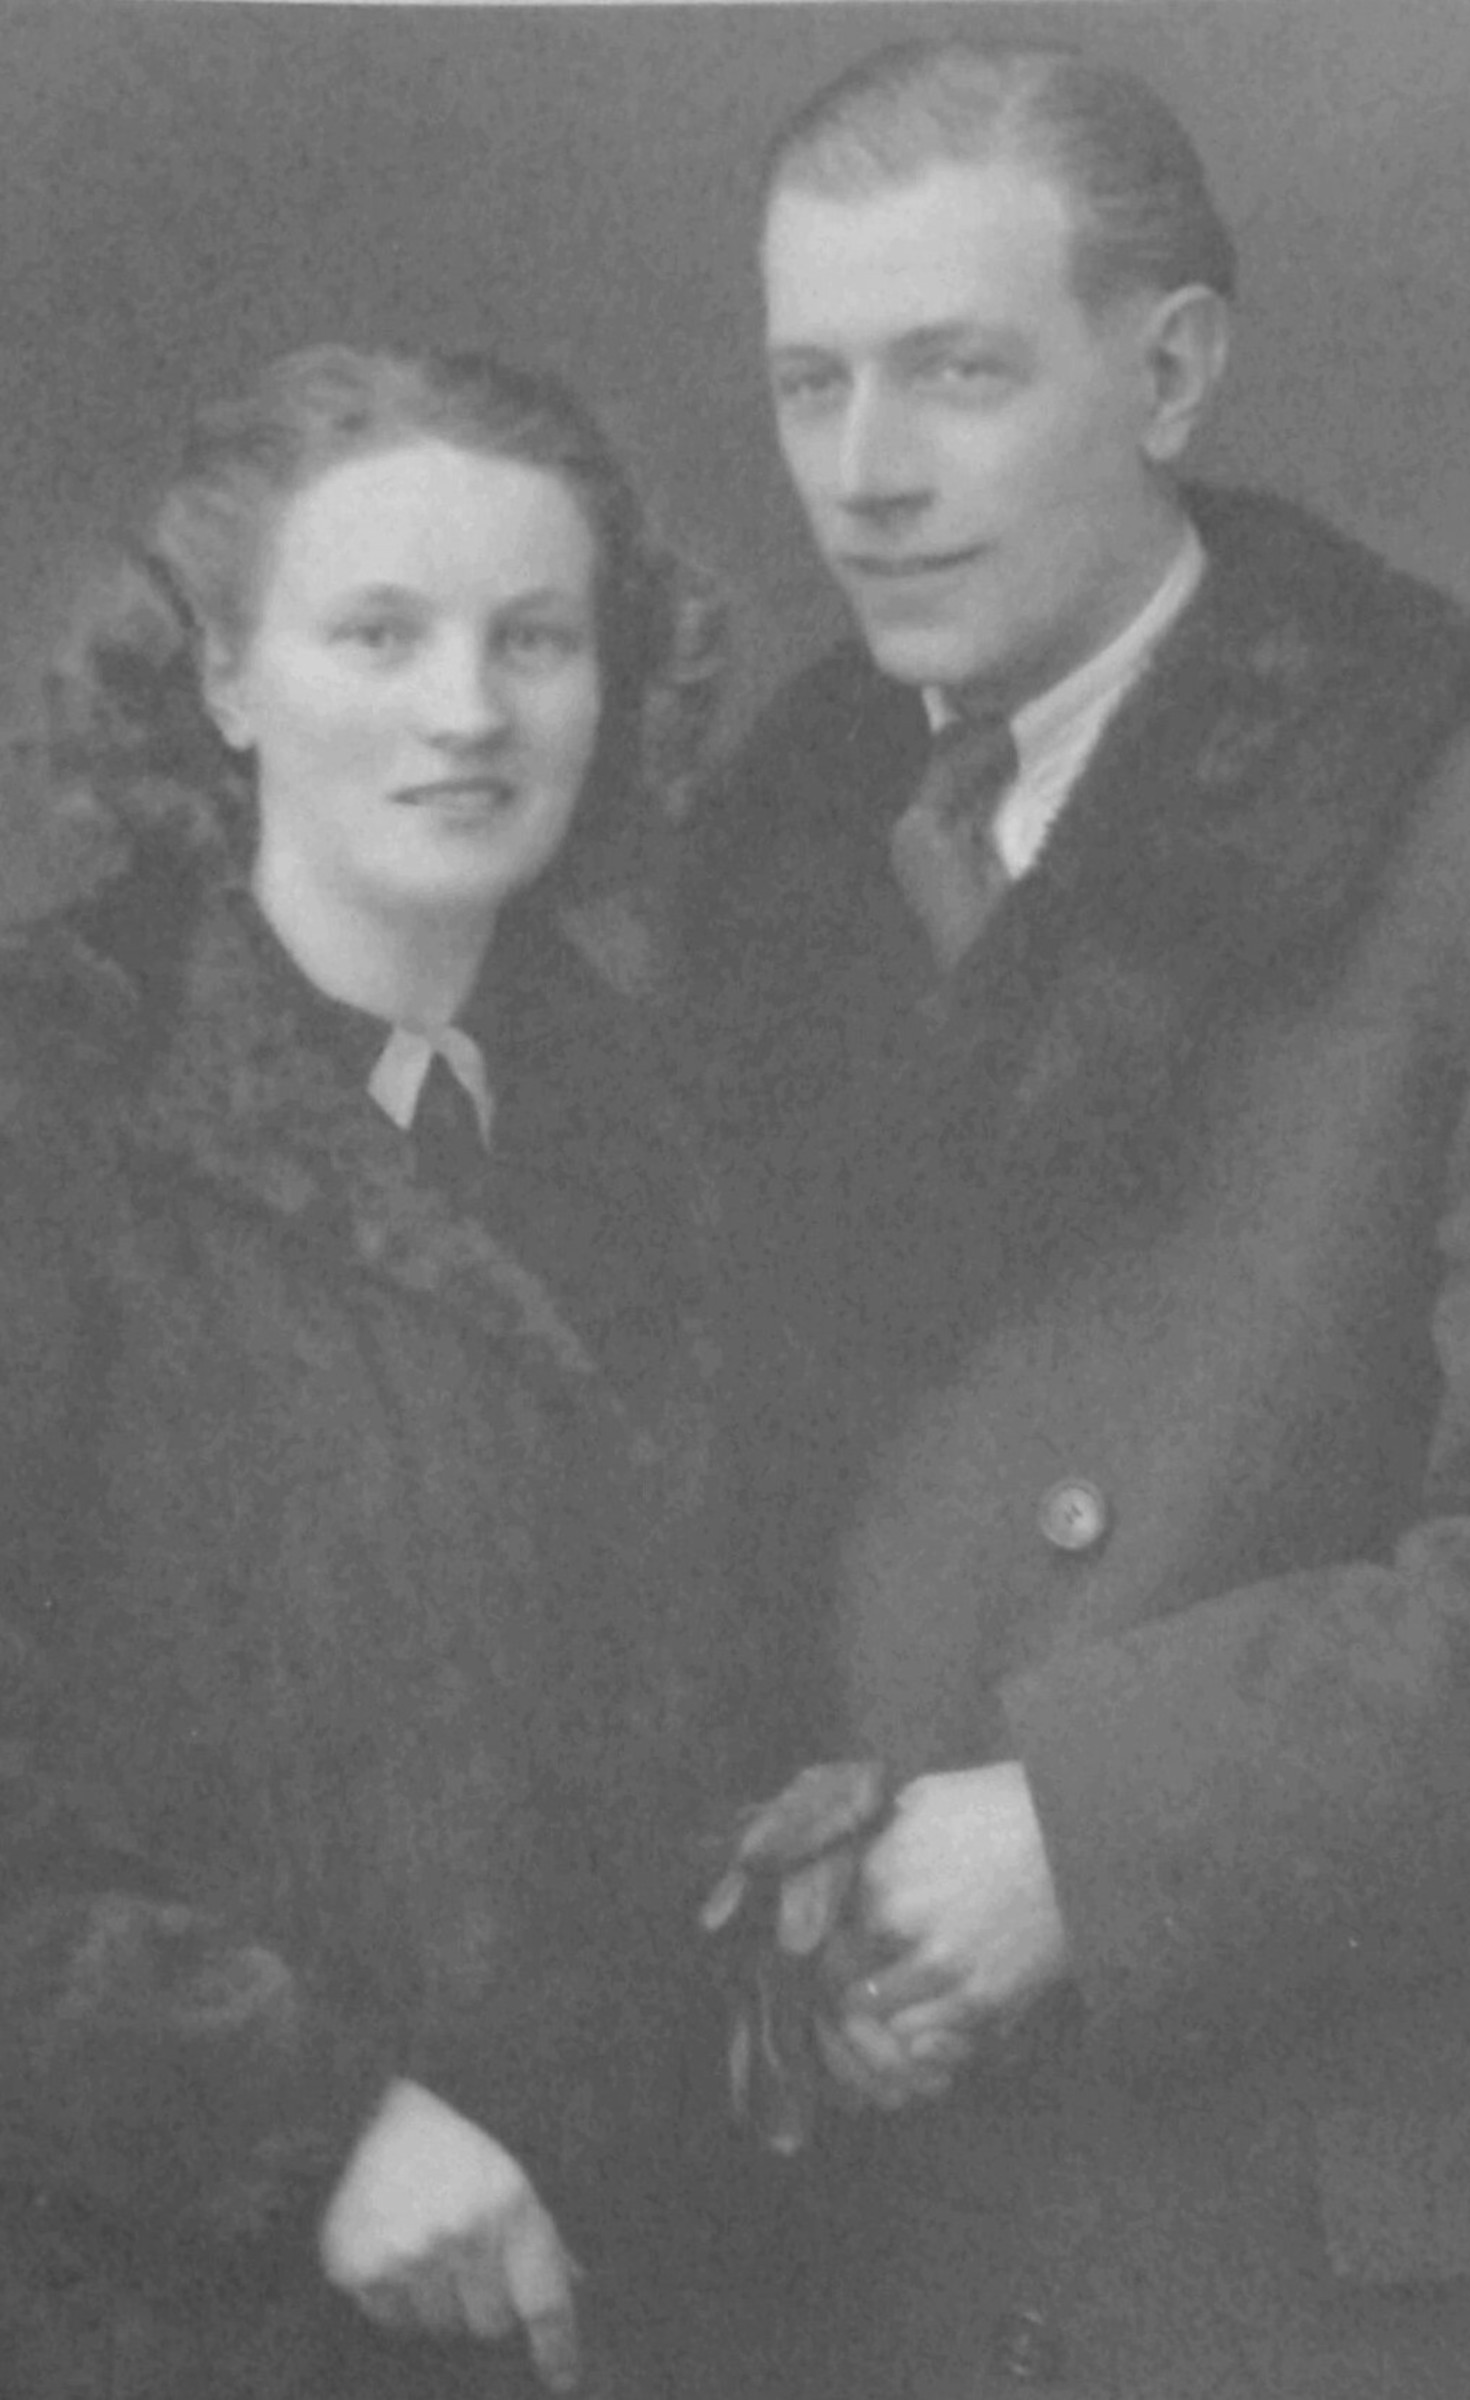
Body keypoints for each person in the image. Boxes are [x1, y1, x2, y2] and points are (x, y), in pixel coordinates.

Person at [681, 37, 1470, 2399]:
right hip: (888, 2258)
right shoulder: (764, 898)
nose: (864, 473)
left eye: (958, 373)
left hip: (1321, 2279)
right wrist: (788, 1885)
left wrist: (1086, 1832)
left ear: (1170, 373)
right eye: (810, 384)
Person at [0, 343, 731, 2399]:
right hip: (155, 2314)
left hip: (617, 2302)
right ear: (222, 678)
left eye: (535, 639)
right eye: (379, 634)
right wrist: (309, 2122)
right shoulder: (50, 1100)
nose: (467, 710)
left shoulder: (657, 1125)